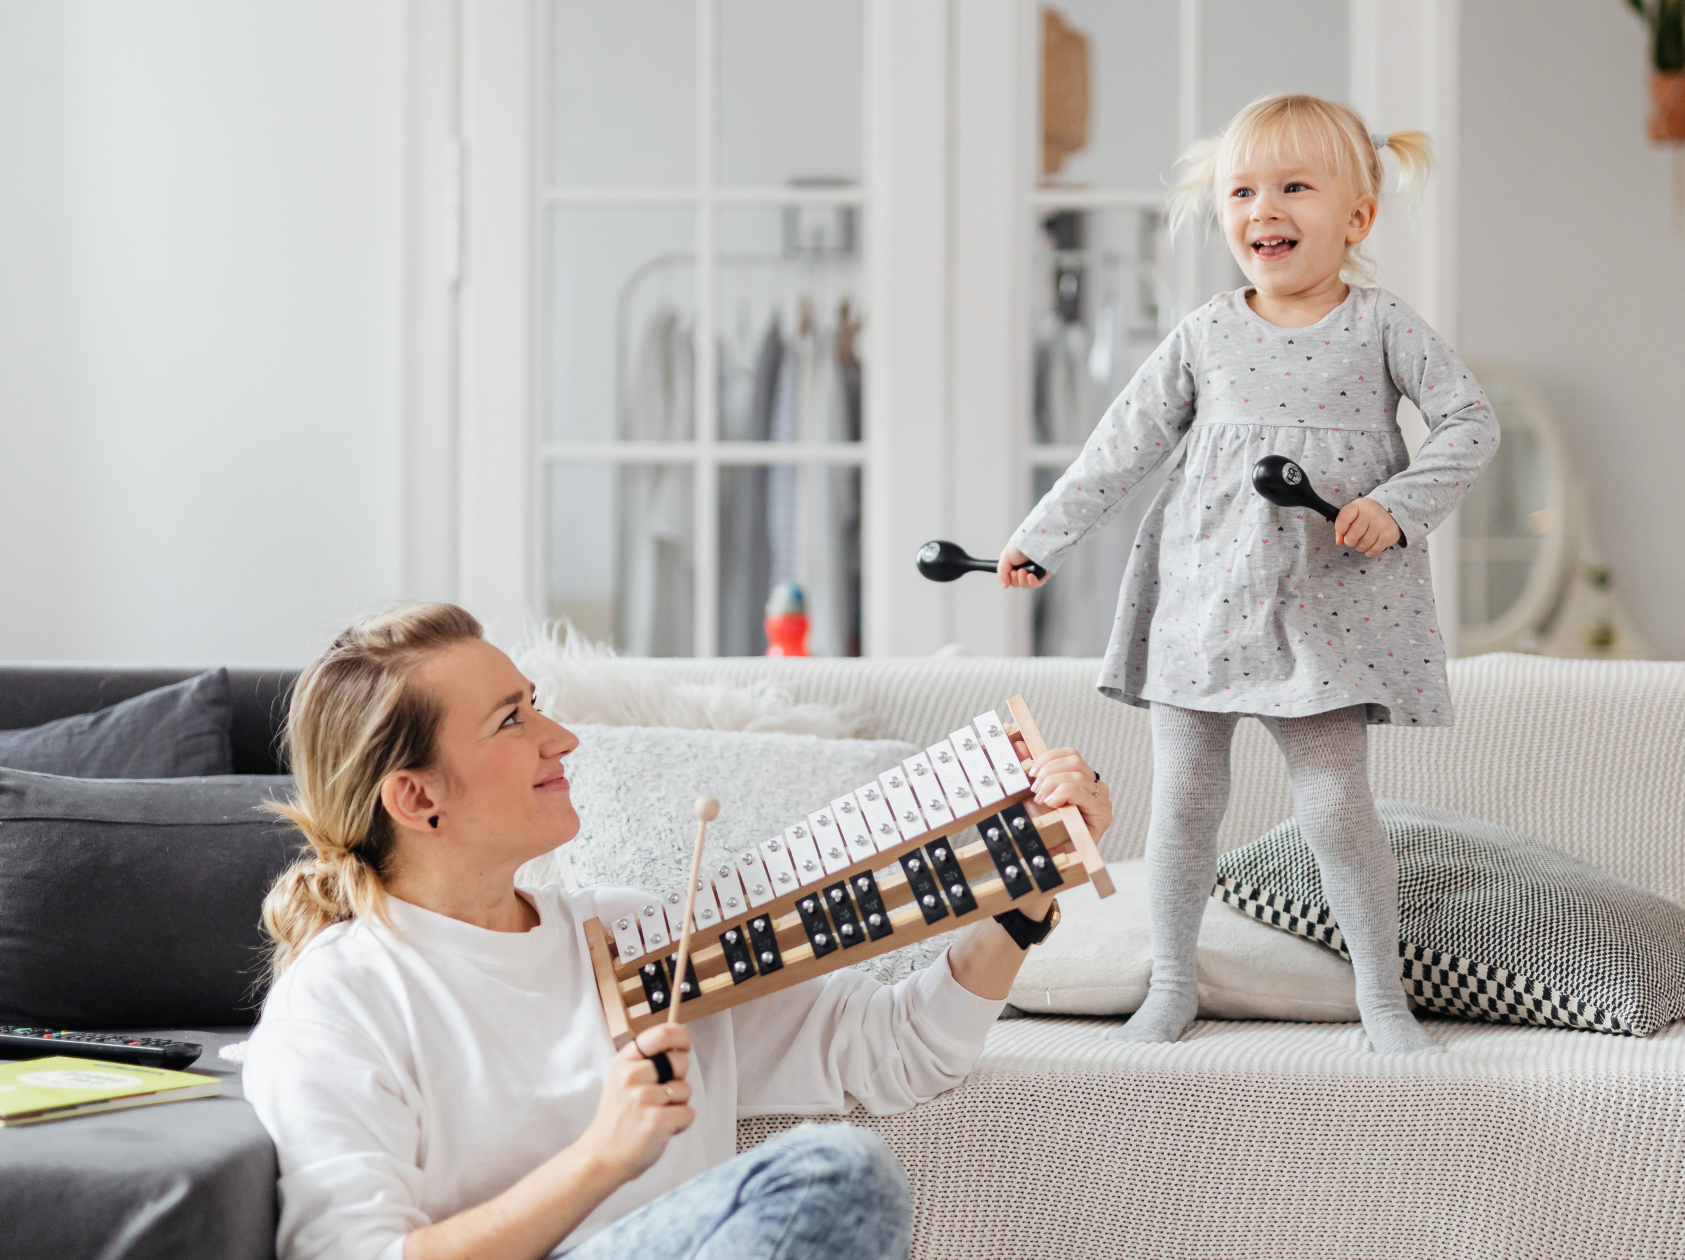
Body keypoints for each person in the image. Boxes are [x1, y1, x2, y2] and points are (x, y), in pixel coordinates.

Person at [240, 603, 1111, 1260]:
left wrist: (1026, 887)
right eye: (513, 720)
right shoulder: (341, 998)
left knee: (841, 1171)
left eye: (537, 703)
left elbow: (901, 1047)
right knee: (826, 1175)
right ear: (416, 798)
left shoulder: (635, 942)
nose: (563, 737)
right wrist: (602, 1156)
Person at [997, 92, 1498, 1051]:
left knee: (1337, 808)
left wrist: (1396, 506)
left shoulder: (1383, 327)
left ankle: (1381, 1000)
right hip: (1203, 602)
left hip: (1329, 610)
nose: (1264, 209)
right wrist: (1042, 536)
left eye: (1295, 187)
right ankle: (1172, 985)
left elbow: (1472, 425)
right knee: (1185, 802)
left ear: (1357, 218)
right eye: (1242, 191)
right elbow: (1120, 446)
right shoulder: (1207, 334)